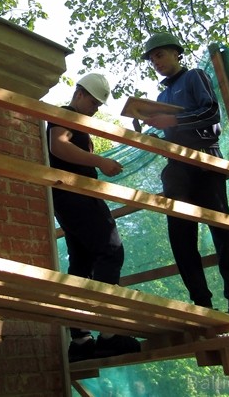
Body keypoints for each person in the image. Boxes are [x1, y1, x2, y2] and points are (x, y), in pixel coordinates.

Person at [140, 33, 229, 318]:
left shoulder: (195, 77)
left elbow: (212, 112)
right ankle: (202, 303)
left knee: (221, 230)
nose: (156, 62)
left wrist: (174, 120)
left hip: (205, 161)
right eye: (152, 59)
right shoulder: (162, 96)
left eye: (160, 55)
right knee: (180, 236)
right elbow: (170, 129)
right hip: (177, 167)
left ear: (176, 53)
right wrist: (151, 130)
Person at [46, 73, 142, 362]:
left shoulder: (77, 122)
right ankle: (109, 332)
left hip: (67, 198)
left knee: (82, 262)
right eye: (95, 102)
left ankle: (81, 340)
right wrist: (100, 160)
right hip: (77, 196)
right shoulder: (66, 114)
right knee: (110, 251)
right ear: (80, 94)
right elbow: (58, 146)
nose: (97, 108)